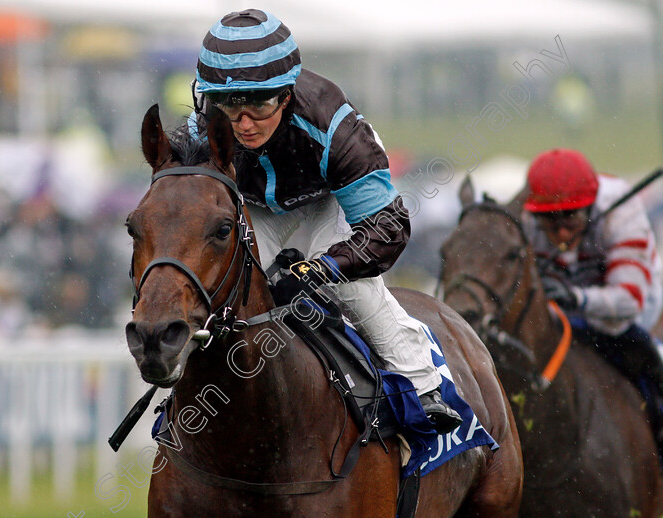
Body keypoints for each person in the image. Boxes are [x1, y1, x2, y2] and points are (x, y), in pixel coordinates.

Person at [186, 8, 461, 433]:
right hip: (256, 203)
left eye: (257, 104)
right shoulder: (203, 128)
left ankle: (422, 387)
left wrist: (324, 267)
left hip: (330, 197)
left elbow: (388, 229)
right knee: (228, 278)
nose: (242, 123)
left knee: (354, 291)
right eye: (229, 104)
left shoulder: (336, 129)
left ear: (286, 95)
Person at [521, 148, 663, 445]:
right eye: (549, 219)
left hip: (635, 313)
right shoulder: (527, 219)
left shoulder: (622, 214)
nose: (560, 233)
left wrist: (576, 298)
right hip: (567, 313)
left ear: (592, 206)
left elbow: (629, 301)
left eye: (570, 217)